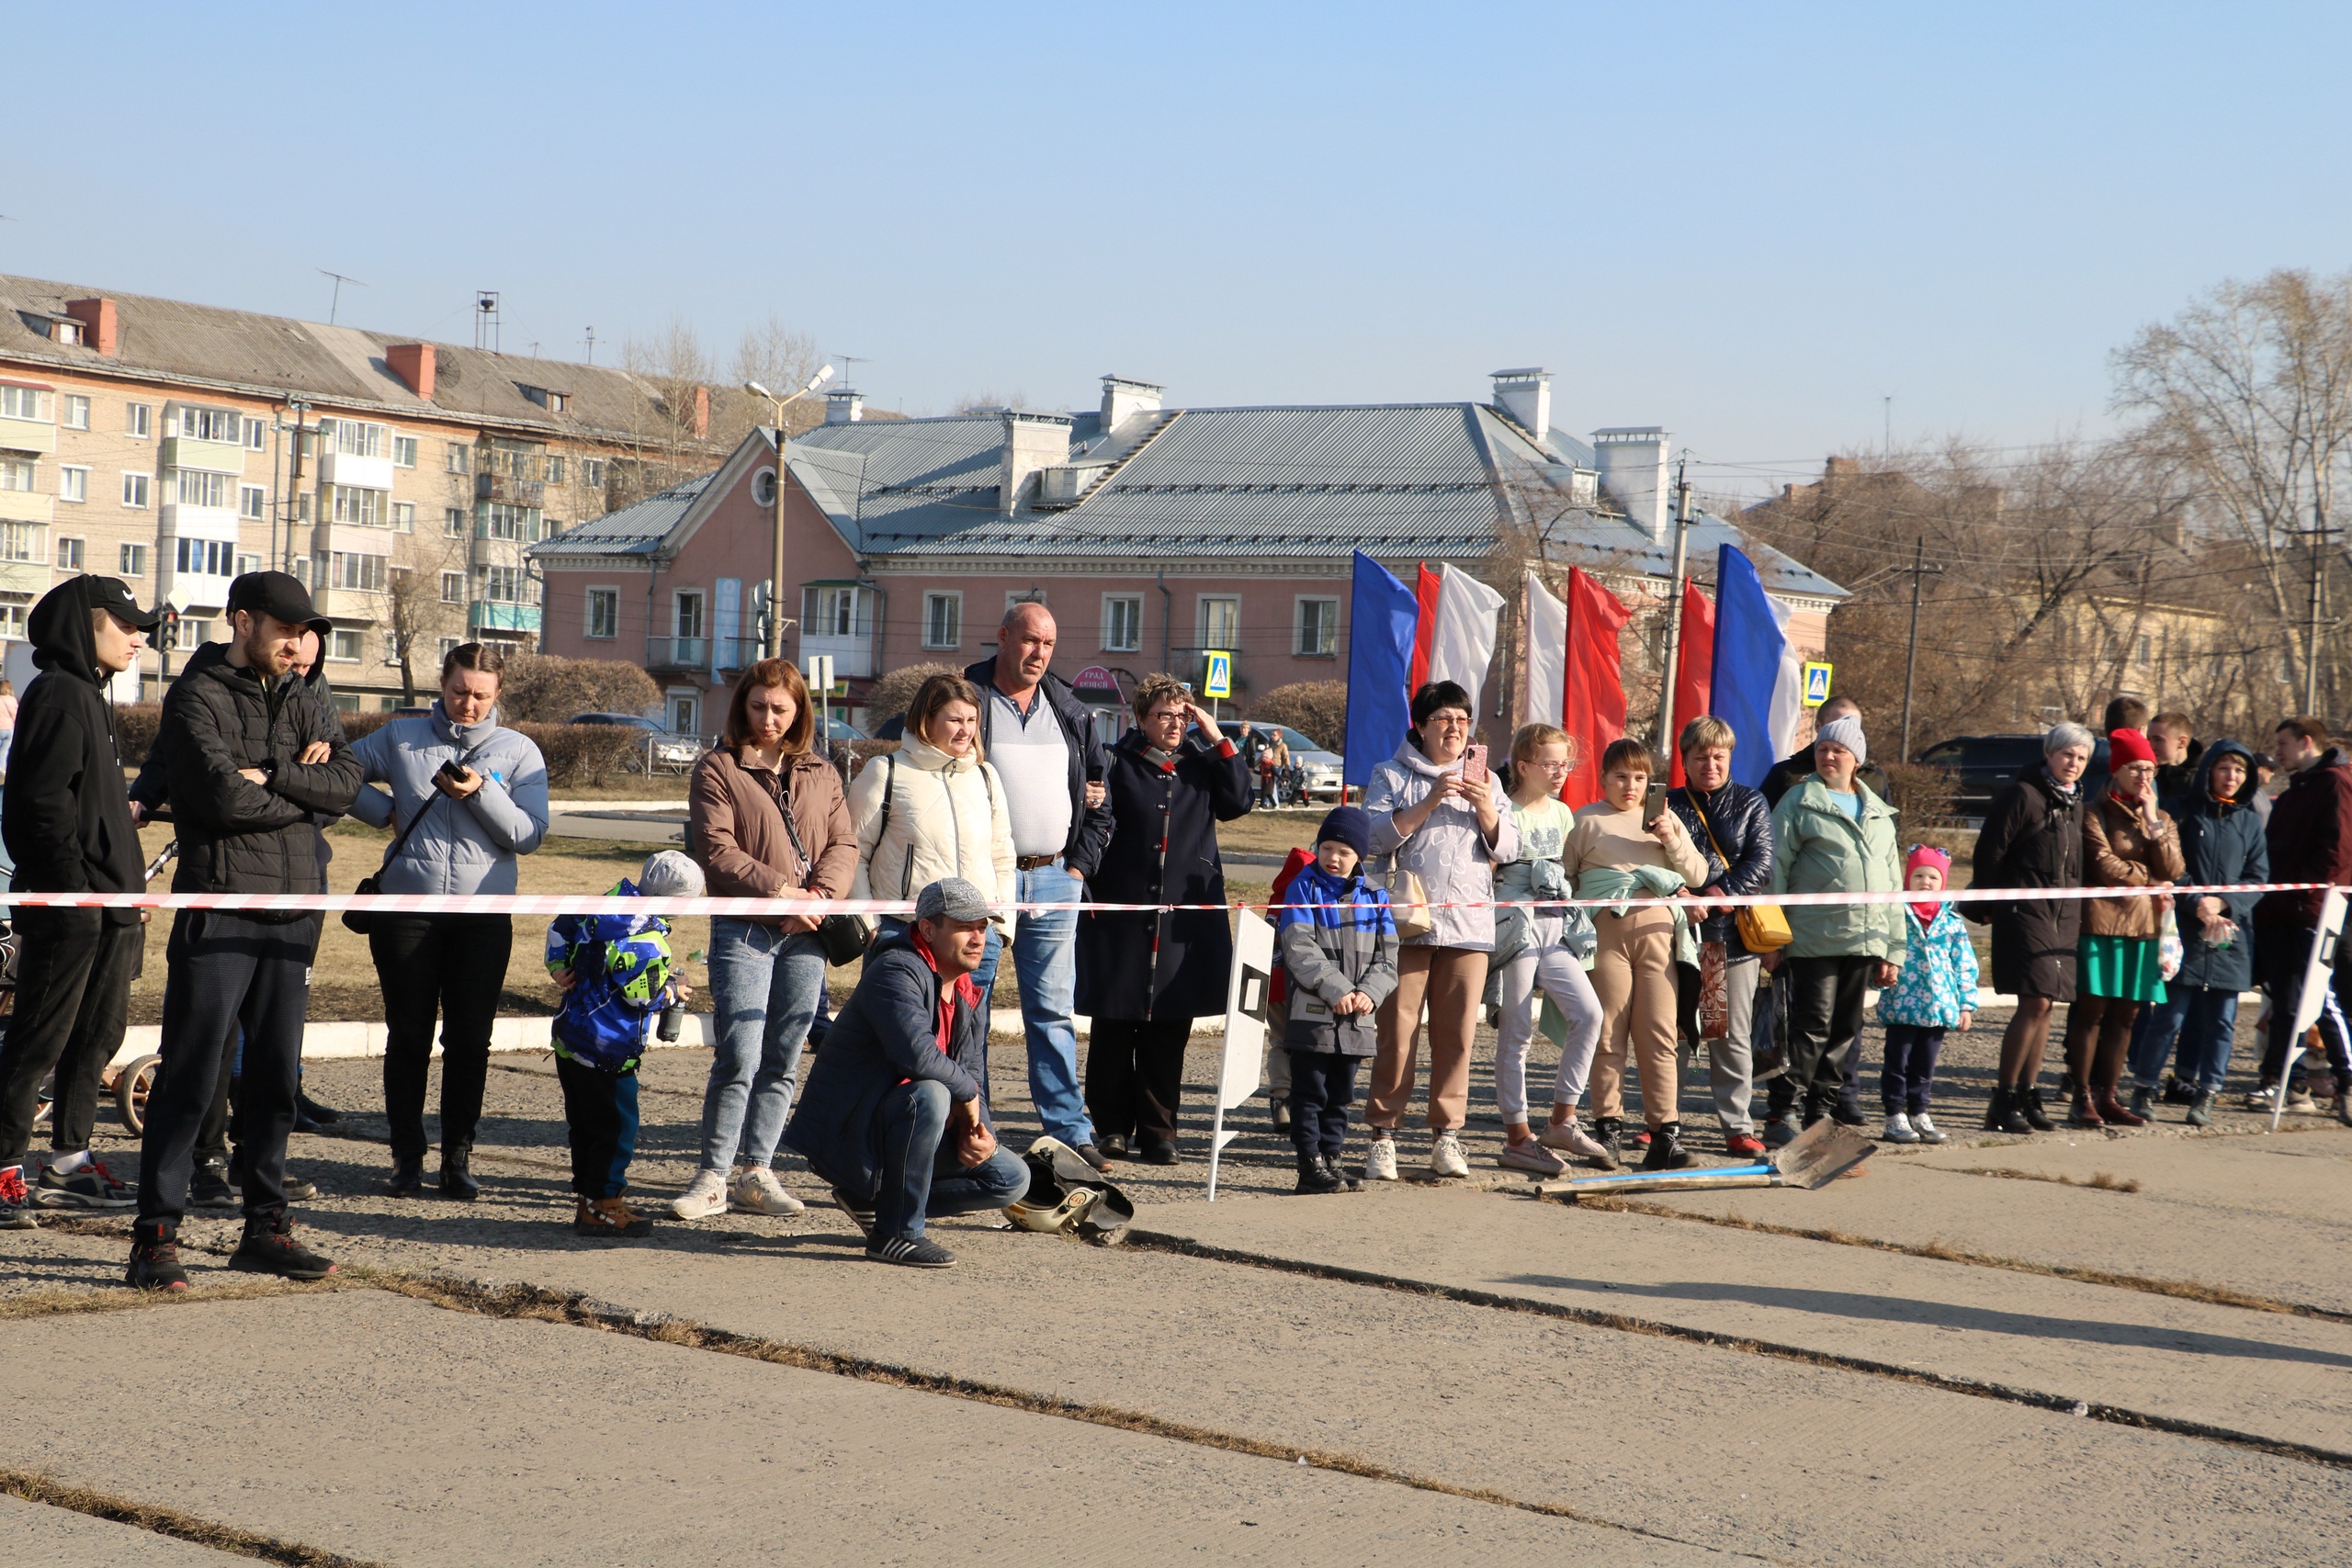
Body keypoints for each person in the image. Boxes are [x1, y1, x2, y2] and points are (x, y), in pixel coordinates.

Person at [126, 572, 361, 1291]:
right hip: (222, 904)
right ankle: (155, 1238)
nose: (298, 644)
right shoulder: (198, 693)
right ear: (242, 621)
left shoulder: (309, 692)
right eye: (285, 630)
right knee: (192, 1076)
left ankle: (265, 1227)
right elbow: (218, 797)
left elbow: (347, 784)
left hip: (296, 914)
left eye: (304, 633)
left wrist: (275, 773)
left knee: (273, 1081)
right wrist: (295, 791)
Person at [346, 642, 550, 1199]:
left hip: (482, 918)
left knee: (470, 1040)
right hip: (406, 912)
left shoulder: (519, 752)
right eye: (459, 691)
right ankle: (405, 1157)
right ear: (442, 684)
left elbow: (529, 835)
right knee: (408, 1035)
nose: (469, 704)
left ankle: (457, 1158)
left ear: (498, 694)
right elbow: (341, 772)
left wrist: (483, 793)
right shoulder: (400, 736)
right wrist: (380, 809)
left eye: (482, 695)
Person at [0, 577, 158, 1227]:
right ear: (82, 626)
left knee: (96, 1039)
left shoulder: (90, 694)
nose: (138, 637)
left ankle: (69, 1162)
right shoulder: (59, 694)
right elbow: (38, 809)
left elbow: (91, 808)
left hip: (110, 909)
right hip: (71, 910)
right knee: (38, 1039)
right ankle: (4, 1165)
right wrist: (77, 894)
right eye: (124, 624)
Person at [674, 659, 854, 1220]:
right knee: (740, 1054)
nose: (769, 718)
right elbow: (718, 850)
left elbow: (844, 845)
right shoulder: (717, 768)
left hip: (808, 933)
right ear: (742, 707)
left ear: (799, 710)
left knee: (783, 1056)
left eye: (780, 708)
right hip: (746, 928)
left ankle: (758, 1171)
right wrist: (784, 892)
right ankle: (713, 1177)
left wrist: (819, 899)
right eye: (758, 706)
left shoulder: (822, 771)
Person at [784, 877, 1031, 1269]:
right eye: (965, 926)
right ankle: (896, 1233)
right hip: (853, 1133)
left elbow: (970, 1071)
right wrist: (966, 1095)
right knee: (930, 1094)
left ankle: (876, 1202)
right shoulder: (896, 970)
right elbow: (917, 1057)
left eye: (983, 926)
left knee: (1011, 1178)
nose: (978, 937)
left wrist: (979, 1133)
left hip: (905, 1128)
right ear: (928, 929)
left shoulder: (967, 990)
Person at [963, 604, 1115, 1168]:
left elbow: (1101, 800)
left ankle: (1070, 1133)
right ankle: (972, 1128)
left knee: (1051, 1011)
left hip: (1054, 879)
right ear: (1002, 637)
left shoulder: (1070, 710)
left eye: (1048, 644)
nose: (1039, 654)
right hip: (984, 881)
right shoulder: (964, 700)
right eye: (1030, 641)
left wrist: (1077, 868)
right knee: (969, 1008)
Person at [1076, 675, 1251, 1164]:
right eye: (1164, 716)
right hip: (1121, 917)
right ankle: (1110, 1126)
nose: (1174, 725)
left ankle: (1160, 1131)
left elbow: (1239, 802)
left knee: (1169, 1028)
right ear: (1142, 719)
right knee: (1114, 1023)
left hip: (1182, 925)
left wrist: (1216, 737)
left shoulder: (1201, 764)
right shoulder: (1115, 761)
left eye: (1182, 715)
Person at [1361, 682, 1516, 1181]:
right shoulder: (1391, 773)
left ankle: (1446, 1136)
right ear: (1422, 725)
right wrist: (1429, 800)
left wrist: (1485, 808)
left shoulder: (1487, 780)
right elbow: (1373, 836)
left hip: (1468, 926)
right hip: (1407, 925)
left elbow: (1509, 849)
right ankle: (1383, 1135)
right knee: (1398, 1033)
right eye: (1445, 719)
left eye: (1463, 721)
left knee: (1457, 1038)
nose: (1455, 729)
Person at [1564, 739, 1710, 1168]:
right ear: (1604, 778)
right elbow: (1566, 879)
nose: (1631, 786)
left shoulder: (1666, 819)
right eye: (1621, 776)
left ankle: (1666, 1135)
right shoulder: (1586, 820)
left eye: (1640, 778)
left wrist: (1671, 839)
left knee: (1660, 1033)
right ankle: (1607, 1132)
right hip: (1605, 933)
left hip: (1659, 934)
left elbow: (1698, 872)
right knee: (1608, 1033)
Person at [1767, 714, 1905, 1142]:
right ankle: (1781, 1114)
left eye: (1839, 750)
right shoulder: (1799, 801)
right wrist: (1772, 936)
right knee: (1810, 1027)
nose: (1829, 756)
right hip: (1812, 938)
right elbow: (1775, 869)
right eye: (1823, 748)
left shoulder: (1880, 813)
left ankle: (1821, 1114)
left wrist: (1892, 950)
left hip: (1865, 938)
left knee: (1845, 1030)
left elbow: (1894, 883)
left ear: (1856, 760)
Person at [547, 850, 699, 1238]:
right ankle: (606, 1205)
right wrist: (674, 991)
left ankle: (588, 1198)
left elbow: (557, 929)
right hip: (609, 1048)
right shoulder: (646, 939)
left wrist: (558, 967)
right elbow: (641, 996)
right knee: (616, 1129)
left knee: (583, 1125)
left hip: (571, 1036)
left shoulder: (601, 905)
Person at [1490, 725, 1610, 1174]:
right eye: (1551, 764)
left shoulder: (1563, 813)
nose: (1561, 772)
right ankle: (1517, 1136)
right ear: (1524, 766)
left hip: (1554, 926)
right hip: (1514, 928)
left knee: (1590, 1014)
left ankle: (1562, 1120)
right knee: (1516, 1031)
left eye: (1566, 764)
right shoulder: (1504, 809)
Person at [1970, 723, 2094, 1134]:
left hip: (2064, 915)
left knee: (2049, 1004)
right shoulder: (2023, 795)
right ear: (2049, 754)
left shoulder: (2077, 802)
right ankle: (2003, 1098)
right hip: (2025, 909)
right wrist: (1989, 903)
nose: (2072, 764)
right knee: (2035, 1001)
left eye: (2081, 758)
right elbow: (1990, 851)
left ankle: (2028, 1092)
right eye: (2066, 755)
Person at [2136, 740, 2265, 1126]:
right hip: (2186, 933)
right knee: (2169, 1017)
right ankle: (2144, 1088)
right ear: (2209, 770)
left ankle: (2208, 1093)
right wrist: (2197, 903)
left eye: (2240, 771)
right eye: (2224, 768)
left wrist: (2224, 904)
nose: (2232, 777)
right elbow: (2170, 867)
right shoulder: (2183, 812)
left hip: (2230, 935)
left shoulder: (2250, 821)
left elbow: (2258, 879)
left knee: (2223, 1022)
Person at [2061, 728, 2184, 1128]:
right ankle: (2081, 1096)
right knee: (2092, 1011)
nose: (2144, 777)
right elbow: (2102, 865)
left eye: (2150, 769)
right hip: (2100, 922)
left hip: (2145, 927)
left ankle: (2108, 1095)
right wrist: (2149, 880)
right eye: (2135, 768)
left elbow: (2175, 870)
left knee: (2127, 1016)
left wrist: (2152, 823)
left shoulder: (2162, 818)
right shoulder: (2093, 812)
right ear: (2117, 770)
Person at [1668, 715, 1775, 1159]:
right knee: (1672, 1035)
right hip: (1676, 937)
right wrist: (1676, 891)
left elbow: (1762, 863)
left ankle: (1737, 1127)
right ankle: (1663, 1124)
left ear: (1729, 757)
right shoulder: (1668, 805)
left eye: (1719, 756)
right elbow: (1651, 859)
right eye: (1701, 757)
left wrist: (1719, 893)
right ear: (1685, 760)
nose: (1710, 763)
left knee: (1726, 1034)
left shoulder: (1751, 802)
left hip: (1727, 940)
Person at [1275, 806, 1396, 1193]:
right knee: (1309, 1094)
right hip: (1313, 1014)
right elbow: (1298, 947)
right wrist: (1337, 990)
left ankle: (1333, 1159)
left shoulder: (1376, 896)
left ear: (1360, 856)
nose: (1333, 857)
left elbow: (1388, 957)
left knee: (1341, 1096)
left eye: (1344, 851)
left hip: (1358, 1019)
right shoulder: (1302, 887)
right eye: (1326, 847)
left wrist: (1368, 993)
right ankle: (1309, 1167)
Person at [848, 671, 1016, 949]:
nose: (966, 730)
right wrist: (871, 926)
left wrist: (1003, 925)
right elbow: (854, 854)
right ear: (927, 720)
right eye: (955, 720)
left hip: (978, 938)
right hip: (903, 932)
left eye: (972, 720)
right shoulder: (885, 771)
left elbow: (1002, 856)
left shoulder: (986, 776)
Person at [2249, 717, 2352, 1122]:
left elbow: (2338, 853)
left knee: (2321, 999)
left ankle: (2346, 1079)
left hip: (2313, 912)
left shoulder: (2336, 784)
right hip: (2280, 911)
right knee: (2285, 1000)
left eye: (2283, 743)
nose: (2278, 752)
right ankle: (2277, 1078)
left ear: (2306, 743)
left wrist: (2309, 897)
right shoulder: (2297, 790)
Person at [1875, 846, 1977, 1144]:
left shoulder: (1952, 923)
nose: (1926, 882)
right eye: (1918, 875)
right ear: (1907, 879)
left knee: (1924, 1067)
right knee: (1897, 1064)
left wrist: (1965, 1005)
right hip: (1901, 1006)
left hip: (1939, 1008)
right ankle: (1894, 1115)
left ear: (1942, 882)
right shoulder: (1896, 915)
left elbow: (1965, 965)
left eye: (1933, 876)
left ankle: (1919, 1112)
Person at [1759, 696, 1892, 807]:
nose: (1846, 729)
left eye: (1854, 726)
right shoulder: (1787, 773)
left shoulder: (1873, 777)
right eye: (1837, 724)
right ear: (1818, 727)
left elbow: (1886, 829)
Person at [2148, 712, 2199, 806]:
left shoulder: (2203, 781)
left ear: (2182, 742)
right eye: (2149, 739)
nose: (2151, 746)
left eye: (2158, 740)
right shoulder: (2146, 777)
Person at [0, 676, 17, 776]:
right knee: (4, 752)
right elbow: (15, 714)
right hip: (9, 728)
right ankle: (3, 771)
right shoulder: (12, 699)